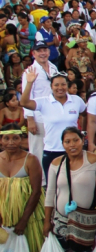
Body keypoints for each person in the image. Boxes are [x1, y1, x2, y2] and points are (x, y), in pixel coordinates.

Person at [42, 127, 96, 252]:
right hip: (60, 221)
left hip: (85, 222)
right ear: (63, 144)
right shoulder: (56, 163)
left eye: (76, 140)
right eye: (67, 141)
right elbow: (50, 193)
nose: (72, 145)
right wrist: (47, 220)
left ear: (83, 140)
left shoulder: (94, 160)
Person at [20, 68, 86, 177]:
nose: (60, 88)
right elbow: (24, 102)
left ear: (67, 85)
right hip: (51, 150)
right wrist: (30, 83)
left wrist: (83, 132)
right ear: (51, 86)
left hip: (73, 150)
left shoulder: (76, 100)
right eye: (56, 85)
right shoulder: (44, 102)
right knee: (53, 187)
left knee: (75, 184)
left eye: (63, 84)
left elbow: (84, 114)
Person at [0, 123, 45, 252]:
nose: (11, 142)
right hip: (4, 218)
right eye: (6, 139)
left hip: (29, 217)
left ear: (21, 139)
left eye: (15, 138)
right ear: (1, 140)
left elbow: (36, 191)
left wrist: (23, 221)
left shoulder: (31, 160)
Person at [22, 41, 59, 173]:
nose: (43, 53)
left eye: (45, 50)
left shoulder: (54, 68)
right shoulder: (29, 71)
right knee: (37, 149)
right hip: (37, 116)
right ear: (34, 54)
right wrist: (29, 119)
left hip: (53, 116)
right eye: (39, 51)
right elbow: (27, 95)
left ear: (49, 52)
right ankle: (40, 181)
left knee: (53, 147)